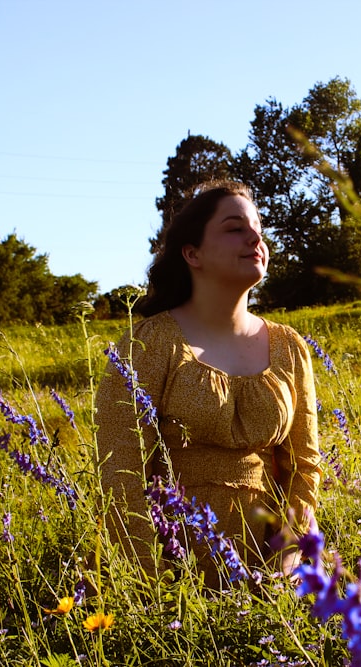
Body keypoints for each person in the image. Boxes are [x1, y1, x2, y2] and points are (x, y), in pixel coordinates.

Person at [95, 181, 321, 587]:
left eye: (258, 228)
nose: (255, 237)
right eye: (235, 228)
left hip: (272, 580)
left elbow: (304, 465)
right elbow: (121, 472)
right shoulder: (149, 344)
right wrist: (157, 582)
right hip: (176, 579)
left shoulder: (289, 346)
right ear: (192, 253)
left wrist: (287, 557)